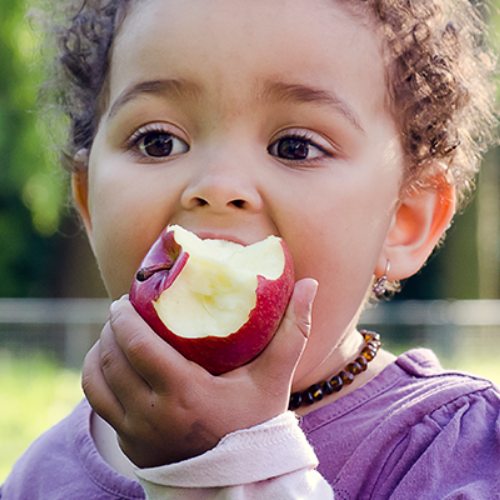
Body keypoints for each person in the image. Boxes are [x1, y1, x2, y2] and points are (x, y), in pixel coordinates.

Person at [1, 0, 499, 498]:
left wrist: (225, 467)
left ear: (403, 220)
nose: (218, 187)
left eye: (295, 147)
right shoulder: (42, 478)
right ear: (89, 203)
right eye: (157, 141)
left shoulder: (451, 456)